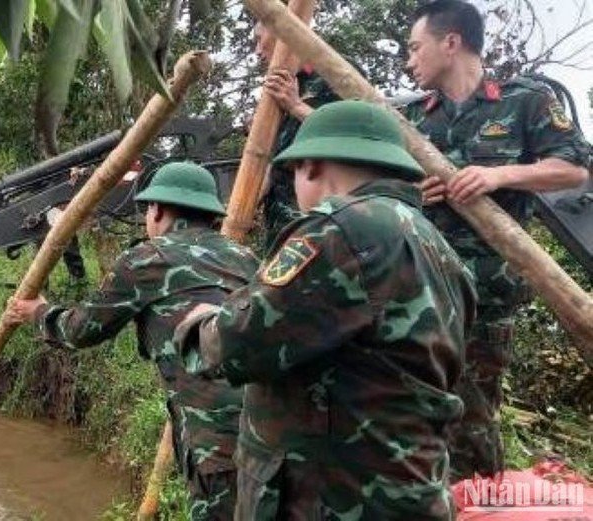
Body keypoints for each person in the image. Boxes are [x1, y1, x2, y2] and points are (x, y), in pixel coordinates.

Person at [177, 100, 477, 519]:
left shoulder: (340, 228)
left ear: (312, 166)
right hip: (407, 490)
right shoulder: (441, 248)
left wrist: (196, 327)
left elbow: (240, 343)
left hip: (332, 497)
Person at [4, 162, 260, 521]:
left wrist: (39, 312)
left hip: (215, 440)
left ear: (157, 209)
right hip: (273, 425)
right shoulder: (245, 257)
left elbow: (82, 330)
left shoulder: (146, 259)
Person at [402, 0, 591, 480]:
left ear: (452, 41)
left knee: (473, 419)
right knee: (417, 414)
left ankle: (482, 504)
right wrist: (415, 193)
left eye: (415, 47)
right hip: (421, 290)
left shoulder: (524, 100)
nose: (409, 60)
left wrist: (498, 174)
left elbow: (571, 169)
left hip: (487, 293)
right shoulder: (419, 121)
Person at [254, 21, 342, 250]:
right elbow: (274, 160)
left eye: (258, 39)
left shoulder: (335, 75)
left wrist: (297, 107)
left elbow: (356, 138)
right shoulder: (281, 88)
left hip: (323, 228)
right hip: (280, 231)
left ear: (281, 34)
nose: (257, 51)